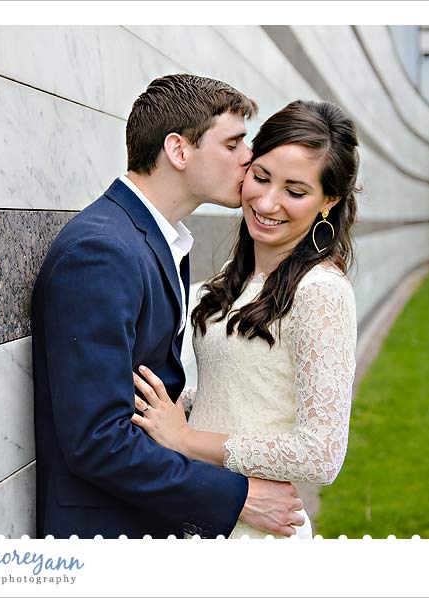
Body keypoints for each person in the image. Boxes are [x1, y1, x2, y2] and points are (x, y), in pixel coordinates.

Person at [31, 74, 306, 539]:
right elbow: (98, 441)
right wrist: (237, 497)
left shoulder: (156, 241)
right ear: (179, 151)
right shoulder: (101, 253)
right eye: (234, 143)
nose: (249, 159)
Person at [132, 99, 359, 538]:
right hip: (206, 510)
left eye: (295, 191)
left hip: (257, 532)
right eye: (261, 177)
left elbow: (320, 453)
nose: (268, 202)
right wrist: (178, 402)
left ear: (328, 201)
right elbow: (246, 389)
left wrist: (184, 438)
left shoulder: (321, 292)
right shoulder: (237, 275)